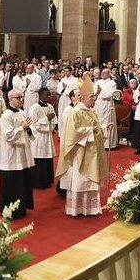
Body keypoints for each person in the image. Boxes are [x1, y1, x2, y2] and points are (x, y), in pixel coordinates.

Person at [55, 78, 108, 216]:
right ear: (83, 98)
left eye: (94, 96)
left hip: (93, 151)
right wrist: (91, 131)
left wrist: (103, 128)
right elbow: (73, 132)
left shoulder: (91, 111)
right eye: (91, 97)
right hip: (81, 152)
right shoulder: (75, 112)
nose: (94, 99)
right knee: (81, 180)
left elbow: (96, 127)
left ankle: (90, 208)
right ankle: (77, 208)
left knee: (91, 180)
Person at [0, 89, 35, 219]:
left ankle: (21, 207)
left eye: (21, 97)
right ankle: (8, 210)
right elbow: (8, 136)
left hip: (22, 154)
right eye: (18, 97)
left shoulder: (22, 112)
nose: (21, 99)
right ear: (10, 99)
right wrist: (22, 128)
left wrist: (28, 129)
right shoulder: (6, 116)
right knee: (11, 183)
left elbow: (29, 129)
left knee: (21, 182)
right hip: (11, 155)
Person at [30, 88, 57, 189]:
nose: (48, 97)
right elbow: (33, 124)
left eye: (49, 95)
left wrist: (51, 123)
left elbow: (54, 121)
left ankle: (47, 180)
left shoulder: (50, 107)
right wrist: (46, 118)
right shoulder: (34, 108)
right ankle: (38, 182)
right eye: (46, 95)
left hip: (48, 136)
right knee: (39, 158)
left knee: (47, 157)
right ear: (40, 95)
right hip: (38, 137)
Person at [93, 68, 118, 149]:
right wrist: (97, 93)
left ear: (108, 74)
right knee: (98, 122)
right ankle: (98, 142)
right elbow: (93, 93)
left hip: (107, 105)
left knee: (107, 124)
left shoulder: (112, 83)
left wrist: (100, 92)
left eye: (104, 73)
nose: (102, 74)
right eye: (102, 72)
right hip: (98, 105)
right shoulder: (98, 82)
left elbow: (110, 94)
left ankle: (108, 144)